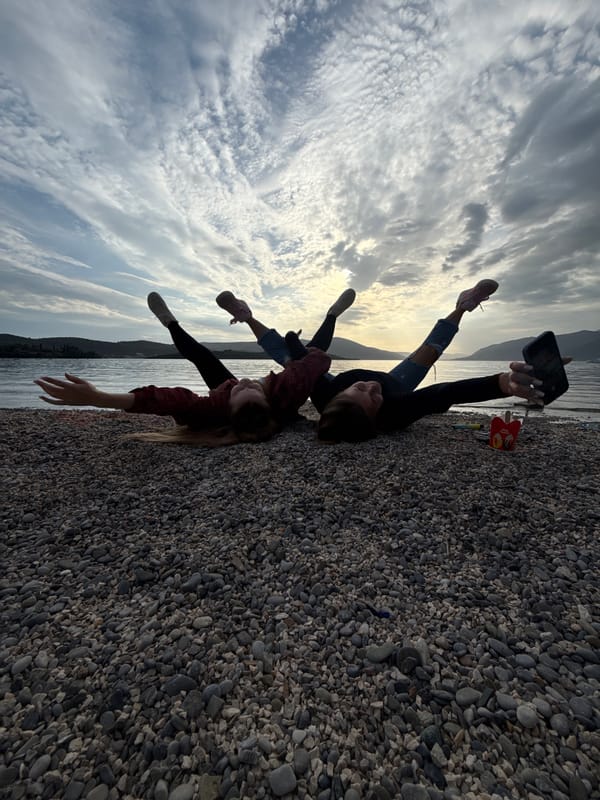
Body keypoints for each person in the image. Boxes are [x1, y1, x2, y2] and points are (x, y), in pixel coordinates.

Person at [215, 280, 541, 441]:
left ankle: (246, 316)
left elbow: (302, 366)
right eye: (374, 397)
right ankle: (463, 305)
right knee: (429, 351)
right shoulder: (396, 410)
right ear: (378, 413)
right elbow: (445, 393)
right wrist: (503, 383)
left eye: (360, 388)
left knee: (292, 361)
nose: (371, 385)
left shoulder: (327, 397)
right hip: (398, 385)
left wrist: (295, 349)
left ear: (340, 396)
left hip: (332, 382)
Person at [34, 298, 332, 446]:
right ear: (266, 398)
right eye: (250, 386)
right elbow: (317, 362)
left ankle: (169, 323)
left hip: (236, 404)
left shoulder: (213, 407)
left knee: (201, 356)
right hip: (281, 398)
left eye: (239, 390)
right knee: (305, 361)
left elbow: (166, 399)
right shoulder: (283, 391)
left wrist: (101, 398)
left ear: (228, 405)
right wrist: (297, 358)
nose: (241, 381)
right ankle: (253, 318)